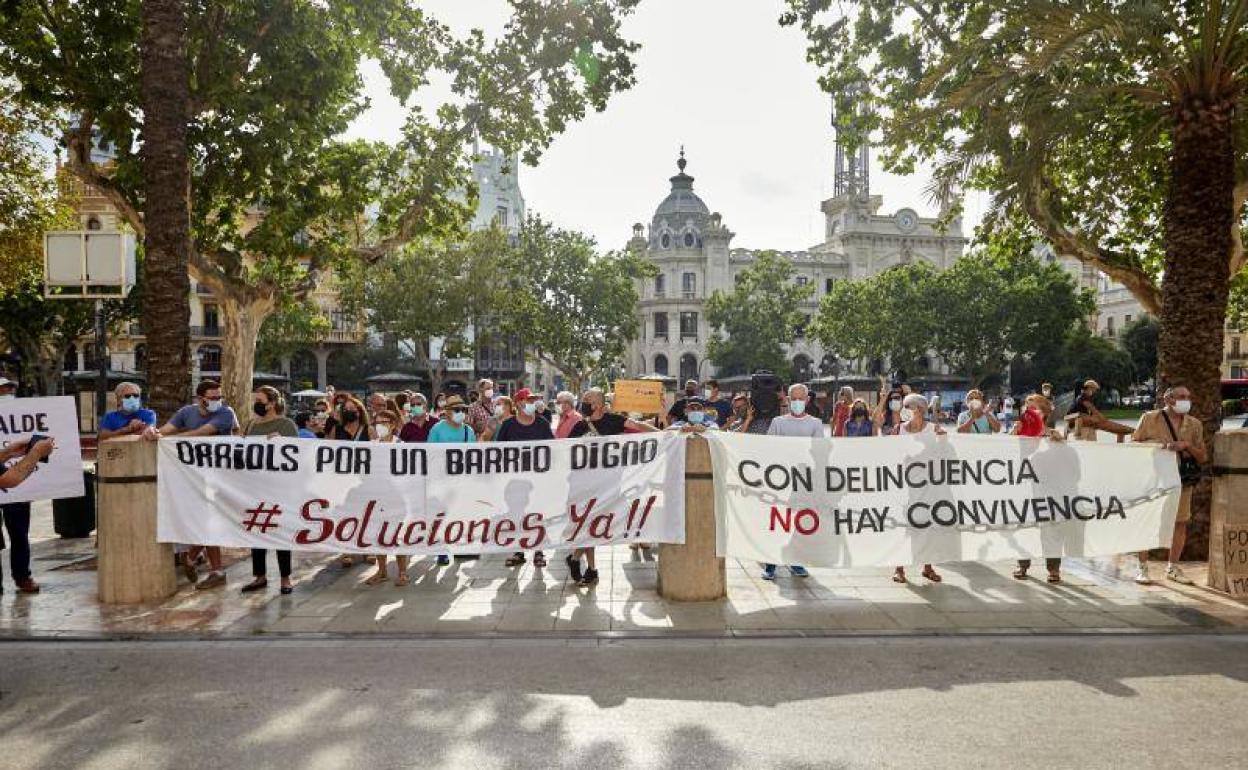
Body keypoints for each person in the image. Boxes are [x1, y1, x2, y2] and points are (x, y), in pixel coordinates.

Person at [143, 380, 239, 590]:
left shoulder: (226, 413)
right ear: (200, 399)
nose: (217, 401)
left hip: (221, 476)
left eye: (219, 397)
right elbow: (165, 429)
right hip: (194, 477)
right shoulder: (187, 412)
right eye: (213, 398)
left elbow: (201, 433)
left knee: (212, 520)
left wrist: (169, 438)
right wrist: (153, 431)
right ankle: (213, 568)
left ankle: (193, 557)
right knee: (207, 520)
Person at [566, 387, 660, 584]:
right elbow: (564, 450)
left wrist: (663, 434)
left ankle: (575, 558)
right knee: (588, 525)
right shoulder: (579, 426)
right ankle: (591, 569)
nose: (583, 403)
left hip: (609, 485)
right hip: (585, 484)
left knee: (595, 525)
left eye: (586, 400)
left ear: (598, 404)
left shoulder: (614, 420)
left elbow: (637, 424)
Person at [1130, 385, 1207, 585]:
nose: (1186, 400)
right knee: (1147, 520)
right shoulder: (1150, 419)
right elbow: (1133, 446)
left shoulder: (1194, 424)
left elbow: (1203, 457)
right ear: (1168, 399)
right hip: (1153, 479)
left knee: (1180, 523)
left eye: (1188, 397)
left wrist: (1187, 446)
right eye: (1181, 396)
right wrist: (1160, 446)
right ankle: (1142, 567)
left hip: (1181, 480)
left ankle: (1172, 567)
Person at [759, 384, 826, 580]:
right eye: (793, 399)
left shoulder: (815, 424)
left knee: (798, 523)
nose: (797, 402)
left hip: (803, 482)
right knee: (776, 522)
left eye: (801, 399)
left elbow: (819, 451)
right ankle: (770, 564)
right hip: (780, 482)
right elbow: (769, 448)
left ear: (807, 400)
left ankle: (796, 562)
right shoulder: (778, 422)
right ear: (788, 400)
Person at [0, 377, 56, 594]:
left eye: (9, 389)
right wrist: (36, 453)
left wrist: (9, 452)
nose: (7, 393)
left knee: (19, 533)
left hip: (16, 496)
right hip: (12, 479)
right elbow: (10, 479)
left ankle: (22, 575)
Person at [241, 386, 299, 595]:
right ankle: (260, 576)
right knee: (256, 529)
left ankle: (285, 578)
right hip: (255, 486)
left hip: (280, 487)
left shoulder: (286, 425)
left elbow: (297, 453)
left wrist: (281, 442)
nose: (256, 403)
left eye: (260, 399)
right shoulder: (250, 425)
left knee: (280, 531)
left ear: (272, 403)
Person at [495, 389, 555, 570]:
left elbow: (552, 448)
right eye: (529, 400)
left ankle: (538, 551)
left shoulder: (542, 423)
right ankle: (518, 551)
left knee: (537, 515)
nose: (532, 403)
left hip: (538, 480)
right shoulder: (508, 425)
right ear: (519, 403)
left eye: (533, 400)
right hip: (514, 480)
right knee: (516, 514)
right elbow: (498, 451)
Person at [891, 393, 945, 585]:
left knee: (927, 526)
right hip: (905, 487)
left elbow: (944, 452)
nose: (904, 410)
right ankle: (899, 569)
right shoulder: (899, 430)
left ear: (920, 410)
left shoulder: (933, 429)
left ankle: (927, 567)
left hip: (928, 486)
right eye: (904, 406)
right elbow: (890, 454)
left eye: (909, 406)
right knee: (904, 527)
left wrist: (943, 440)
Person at [1012, 393, 1065, 583]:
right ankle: (1022, 564)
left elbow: (1066, 463)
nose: (1029, 411)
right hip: (1026, 488)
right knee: (1025, 526)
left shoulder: (1052, 435)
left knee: (1051, 528)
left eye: (1033, 408)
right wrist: (1013, 435)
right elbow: (1005, 456)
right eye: (1027, 408)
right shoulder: (1019, 432)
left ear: (1043, 412)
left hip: (1049, 490)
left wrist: (1059, 443)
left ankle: (1053, 568)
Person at [363, 409, 411, 586]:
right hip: (377, 495)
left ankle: (403, 571)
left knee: (398, 533)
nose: (380, 426)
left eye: (384, 422)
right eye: (377, 423)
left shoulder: (401, 445)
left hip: (397, 496)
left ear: (393, 425)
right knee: (377, 533)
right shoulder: (371, 445)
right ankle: (382, 570)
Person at [1067, 379, 1132, 440]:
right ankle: (1124, 430)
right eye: (1094, 389)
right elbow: (1093, 410)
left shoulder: (1086, 398)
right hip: (1077, 420)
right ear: (1089, 388)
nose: (1094, 392)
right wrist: (1103, 419)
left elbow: (1092, 412)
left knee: (1098, 426)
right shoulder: (1083, 397)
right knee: (1103, 423)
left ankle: (1123, 430)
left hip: (1084, 421)